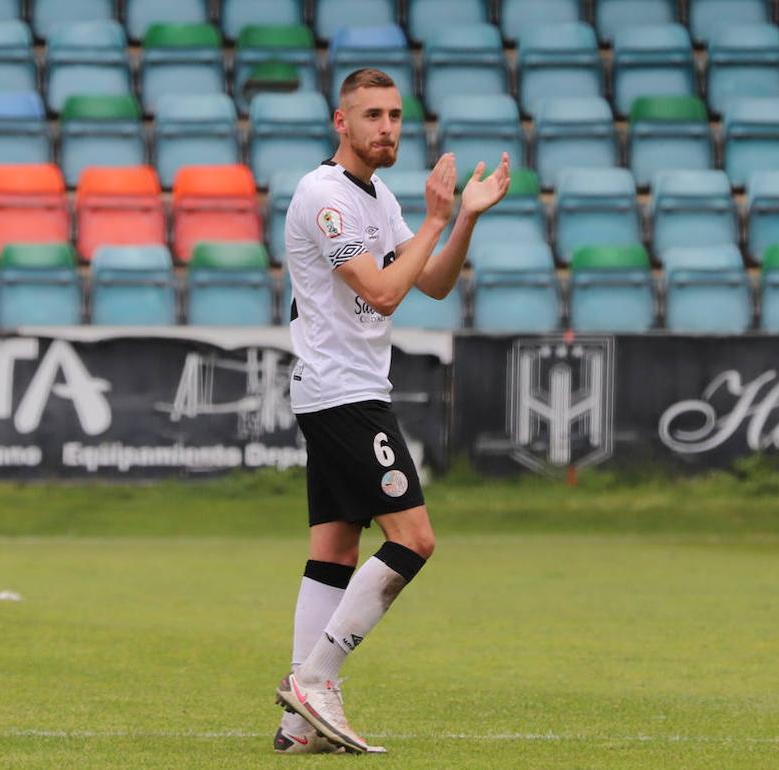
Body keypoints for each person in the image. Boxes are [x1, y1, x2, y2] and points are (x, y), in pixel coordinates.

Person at [272, 67, 511, 755]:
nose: (387, 128)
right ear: (340, 123)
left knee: (335, 550)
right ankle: (315, 678)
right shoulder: (324, 196)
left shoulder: (376, 196)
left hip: (345, 389)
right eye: (372, 115)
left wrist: (461, 218)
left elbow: (430, 280)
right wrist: (436, 218)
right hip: (342, 391)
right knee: (414, 539)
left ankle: (297, 727)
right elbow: (380, 293)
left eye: (396, 116)